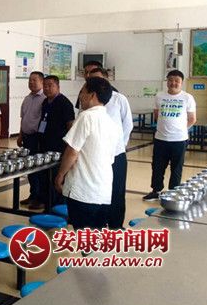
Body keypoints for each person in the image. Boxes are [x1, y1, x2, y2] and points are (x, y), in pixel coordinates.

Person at [55, 77, 121, 230]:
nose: (80, 96)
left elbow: (72, 151)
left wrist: (60, 175)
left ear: (92, 95)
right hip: (103, 192)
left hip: (83, 191)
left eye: (82, 92)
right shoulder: (112, 123)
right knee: (96, 236)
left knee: (83, 235)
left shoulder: (86, 116)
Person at [87, 67, 133, 229]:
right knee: (98, 189)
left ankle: (116, 225)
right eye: (91, 80)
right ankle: (99, 224)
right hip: (95, 155)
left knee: (117, 190)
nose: (95, 83)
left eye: (98, 79)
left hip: (116, 154)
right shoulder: (87, 98)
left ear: (107, 80)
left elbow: (127, 124)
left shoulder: (119, 99)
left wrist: (119, 145)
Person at [143, 70, 196, 201]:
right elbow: (157, 115)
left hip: (179, 140)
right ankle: (156, 191)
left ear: (181, 83)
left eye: (177, 81)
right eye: (171, 80)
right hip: (160, 138)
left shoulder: (187, 98)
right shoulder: (159, 96)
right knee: (157, 166)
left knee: (176, 168)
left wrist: (180, 130)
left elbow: (192, 119)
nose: (173, 83)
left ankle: (173, 193)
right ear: (167, 81)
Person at [36, 75, 75, 209]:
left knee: (56, 177)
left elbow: (70, 126)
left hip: (59, 147)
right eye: (45, 86)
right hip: (45, 145)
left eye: (50, 85)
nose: (47, 88)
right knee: (44, 175)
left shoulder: (65, 103)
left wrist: (68, 146)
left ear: (58, 86)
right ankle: (46, 203)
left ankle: (58, 206)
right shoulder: (45, 102)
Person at [16, 71, 46, 207]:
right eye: (30, 80)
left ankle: (40, 198)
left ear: (42, 82)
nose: (31, 82)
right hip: (27, 138)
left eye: (34, 80)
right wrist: (20, 135)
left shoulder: (44, 99)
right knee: (29, 168)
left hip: (37, 139)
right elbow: (23, 118)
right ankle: (33, 194)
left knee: (38, 169)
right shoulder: (27, 98)